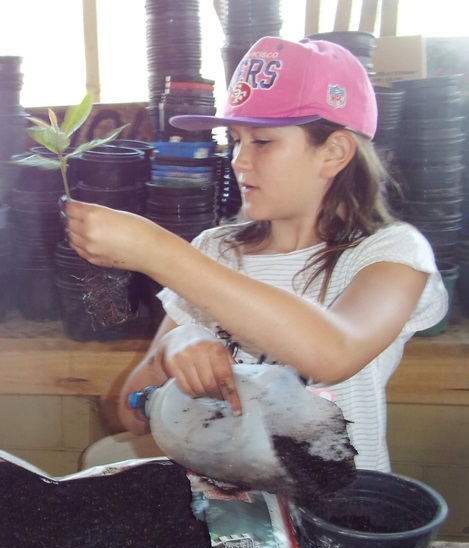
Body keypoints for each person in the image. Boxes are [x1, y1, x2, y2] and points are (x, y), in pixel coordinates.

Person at [65, 36, 448, 472]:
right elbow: (130, 415)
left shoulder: (391, 252)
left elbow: (334, 354)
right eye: (235, 140)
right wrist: (174, 347)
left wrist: (157, 252)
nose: (239, 160)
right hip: (224, 505)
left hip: (339, 507)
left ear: (334, 152)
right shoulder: (217, 251)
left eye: (262, 141)